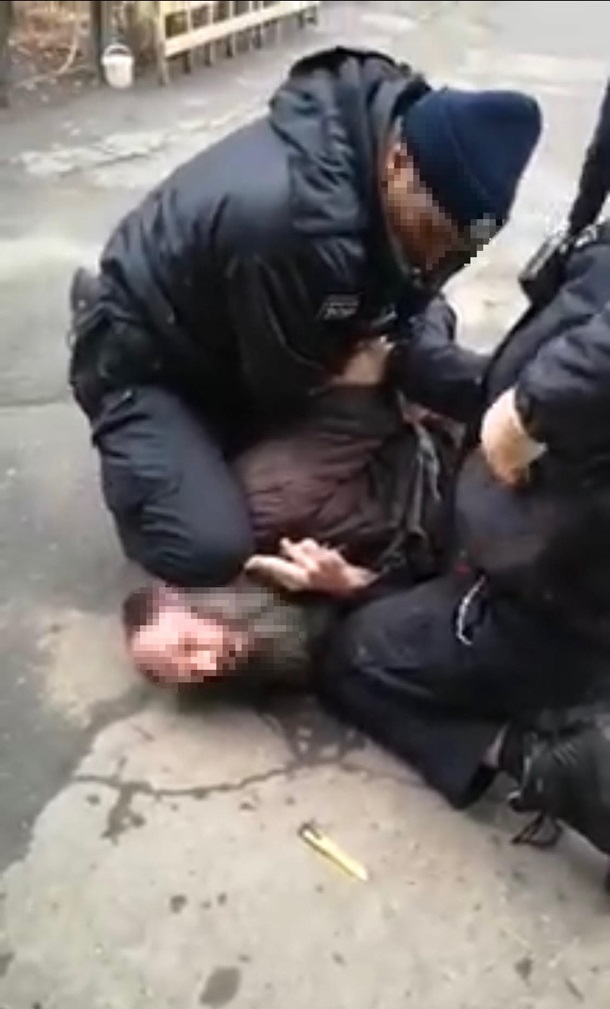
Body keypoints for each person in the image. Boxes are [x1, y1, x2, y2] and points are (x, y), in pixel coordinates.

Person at [68, 45, 541, 588]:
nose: (438, 257)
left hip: (258, 315)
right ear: (397, 164)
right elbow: (285, 385)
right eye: (432, 234)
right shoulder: (291, 225)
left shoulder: (415, 189)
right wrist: (365, 382)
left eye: (458, 248)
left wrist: (495, 391)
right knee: (210, 544)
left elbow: (412, 302)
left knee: (420, 348)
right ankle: (143, 466)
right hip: (147, 354)